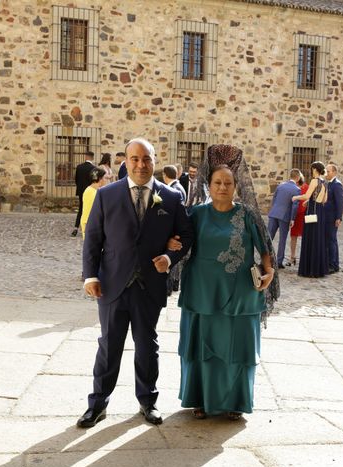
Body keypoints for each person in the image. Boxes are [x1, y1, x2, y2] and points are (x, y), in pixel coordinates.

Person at [78, 138, 194, 428]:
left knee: (147, 347)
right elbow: (93, 239)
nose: (141, 165)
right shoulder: (107, 195)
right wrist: (90, 276)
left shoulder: (170, 198)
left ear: (155, 161)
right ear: (125, 161)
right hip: (112, 285)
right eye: (135, 159)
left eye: (147, 159)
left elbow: (187, 235)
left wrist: (169, 256)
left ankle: (148, 401)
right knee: (109, 346)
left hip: (149, 286)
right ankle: (97, 404)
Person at [174, 145, 278, 421]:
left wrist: (268, 273)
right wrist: (170, 244)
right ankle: (200, 399)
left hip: (241, 294)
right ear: (208, 185)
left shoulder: (248, 215)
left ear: (236, 186)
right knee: (201, 347)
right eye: (217, 182)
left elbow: (265, 249)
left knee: (238, 350)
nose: (222, 187)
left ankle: (236, 402)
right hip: (202, 293)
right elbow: (181, 243)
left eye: (228, 183)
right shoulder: (196, 215)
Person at [294, 161, 328, 278]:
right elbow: (324, 200)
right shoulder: (325, 182)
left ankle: (309, 270)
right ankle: (318, 270)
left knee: (310, 238)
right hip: (320, 212)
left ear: (314, 169)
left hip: (312, 212)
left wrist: (295, 197)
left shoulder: (314, 181)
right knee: (318, 239)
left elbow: (306, 196)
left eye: (312, 169)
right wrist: (310, 201)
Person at [267, 169, 301, 268]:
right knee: (282, 239)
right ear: (298, 178)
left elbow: (274, 199)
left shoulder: (280, 185)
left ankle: (264, 260)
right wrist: (292, 219)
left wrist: (272, 211)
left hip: (274, 214)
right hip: (285, 217)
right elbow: (295, 206)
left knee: (268, 238)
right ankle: (278, 262)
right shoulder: (297, 189)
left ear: (290, 176)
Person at [324, 164, 343, 274]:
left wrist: (338, 217)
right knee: (330, 240)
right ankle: (333, 263)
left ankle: (333, 264)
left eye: (328, 171)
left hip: (332, 218)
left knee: (331, 240)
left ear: (334, 172)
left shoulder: (337, 185)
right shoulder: (329, 184)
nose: (326, 173)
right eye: (326, 171)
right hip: (327, 217)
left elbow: (339, 202)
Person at [80, 167, 108, 239]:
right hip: (91, 226)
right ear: (99, 179)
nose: (106, 180)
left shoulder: (95, 191)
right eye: (104, 178)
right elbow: (89, 211)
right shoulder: (91, 192)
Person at [72, 151, 95, 237]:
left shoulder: (79, 167)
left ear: (85, 157)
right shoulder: (93, 168)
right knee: (90, 210)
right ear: (92, 158)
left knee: (81, 209)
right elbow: (94, 181)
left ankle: (75, 228)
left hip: (81, 191)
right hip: (90, 192)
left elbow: (76, 180)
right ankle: (88, 229)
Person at [289, 173, 308, 265]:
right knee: (293, 237)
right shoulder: (293, 186)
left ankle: (305, 257)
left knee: (305, 236)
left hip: (304, 215)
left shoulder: (306, 187)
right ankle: (292, 257)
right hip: (295, 215)